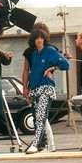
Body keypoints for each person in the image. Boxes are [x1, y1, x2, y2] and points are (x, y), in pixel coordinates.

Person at [24, 27, 70, 154]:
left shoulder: (50, 50)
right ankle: (50, 146)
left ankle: (35, 143)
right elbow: (31, 72)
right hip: (35, 89)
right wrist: (28, 89)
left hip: (46, 88)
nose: (39, 41)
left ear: (44, 39)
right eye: (37, 38)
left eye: (41, 38)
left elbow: (66, 64)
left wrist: (52, 68)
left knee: (40, 117)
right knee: (43, 118)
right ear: (33, 40)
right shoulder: (34, 54)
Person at [21, 22, 57, 152]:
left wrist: (55, 66)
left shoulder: (51, 49)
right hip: (34, 85)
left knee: (41, 116)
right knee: (38, 116)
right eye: (37, 34)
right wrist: (25, 87)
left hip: (46, 85)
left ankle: (44, 144)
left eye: (42, 34)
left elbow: (60, 61)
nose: (39, 38)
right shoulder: (30, 51)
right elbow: (25, 70)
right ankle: (43, 143)